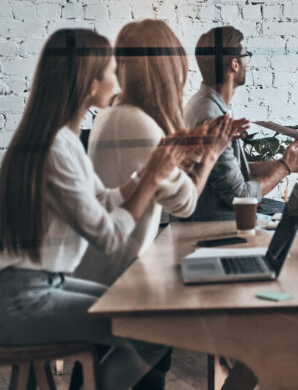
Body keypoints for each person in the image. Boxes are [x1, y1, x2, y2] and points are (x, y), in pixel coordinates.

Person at [0, 29, 218, 390]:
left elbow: (103, 201)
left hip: (28, 288)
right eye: (112, 70)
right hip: (15, 301)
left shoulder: (63, 139)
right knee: (151, 329)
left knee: (152, 320)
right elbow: (108, 235)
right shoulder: (55, 149)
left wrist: (149, 171)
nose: (119, 80)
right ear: (90, 84)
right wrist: (150, 179)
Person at [71, 20, 246, 389]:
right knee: (156, 346)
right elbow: (183, 201)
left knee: (120, 359)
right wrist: (211, 154)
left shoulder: (115, 112)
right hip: (117, 276)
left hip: (99, 268)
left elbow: (159, 176)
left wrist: (192, 149)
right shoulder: (139, 124)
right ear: (166, 68)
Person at [182, 26, 298, 221]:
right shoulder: (211, 116)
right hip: (217, 229)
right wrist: (285, 167)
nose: (247, 63)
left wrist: (286, 162)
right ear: (234, 64)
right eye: (246, 55)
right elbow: (241, 196)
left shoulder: (207, 105)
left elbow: (234, 172)